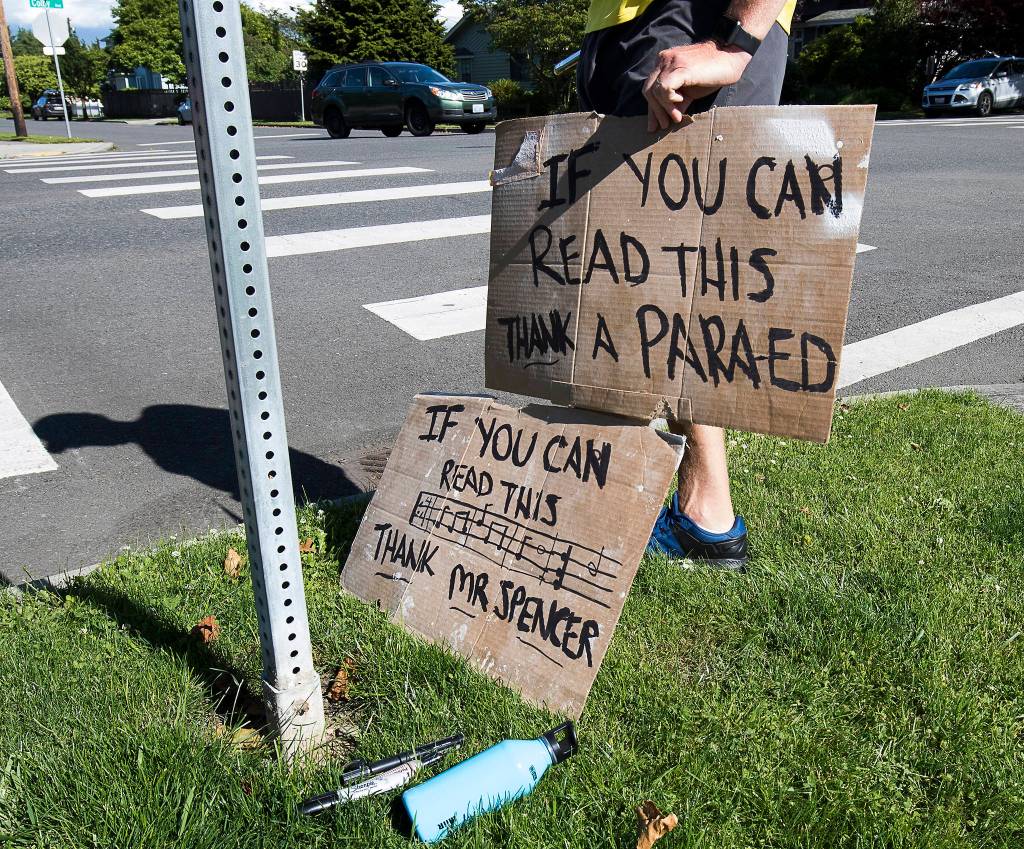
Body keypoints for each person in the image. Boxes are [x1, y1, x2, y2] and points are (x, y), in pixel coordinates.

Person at [577, 0, 795, 570]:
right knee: (651, 272)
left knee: (672, 275)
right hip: (642, 30)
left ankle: (706, 516)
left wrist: (733, 44)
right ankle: (692, 509)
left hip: (690, 23)